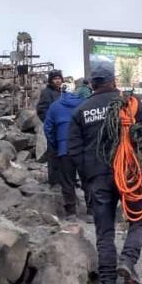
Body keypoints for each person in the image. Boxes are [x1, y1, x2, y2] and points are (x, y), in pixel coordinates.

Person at [67, 66, 142, 284]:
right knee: (141, 219)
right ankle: (127, 260)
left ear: (92, 85)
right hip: (128, 173)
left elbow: (73, 150)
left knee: (104, 229)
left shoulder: (81, 111)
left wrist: (88, 176)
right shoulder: (129, 102)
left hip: (97, 177)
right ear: (113, 81)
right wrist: (134, 150)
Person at [44, 88, 86, 219]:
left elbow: (48, 128)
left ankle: (71, 212)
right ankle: (91, 211)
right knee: (87, 180)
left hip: (64, 148)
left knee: (67, 181)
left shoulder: (55, 106)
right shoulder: (85, 104)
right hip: (83, 148)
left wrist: (55, 145)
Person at [37, 70, 64, 185]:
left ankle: (63, 179)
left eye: (59, 78)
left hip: (62, 129)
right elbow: (41, 110)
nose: (57, 80)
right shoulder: (46, 92)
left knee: (63, 154)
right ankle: (54, 181)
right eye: (55, 78)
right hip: (53, 129)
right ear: (51, 80)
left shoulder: (61, 92)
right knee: (53, 154)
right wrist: (50, 123)